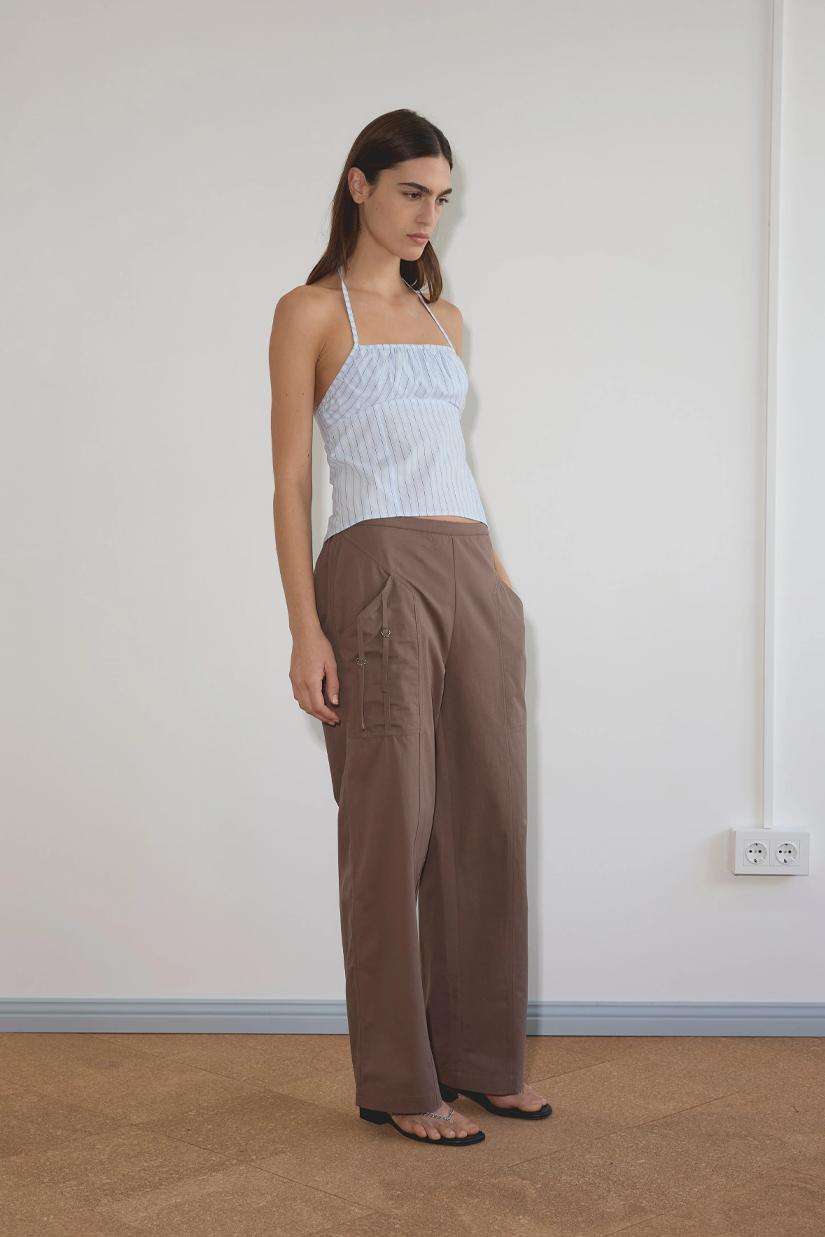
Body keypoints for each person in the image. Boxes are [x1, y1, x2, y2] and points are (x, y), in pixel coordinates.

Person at [269, 108, 551, 1146]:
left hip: (471, 568)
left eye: (441, 198)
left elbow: (449, 459)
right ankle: (398, 1077)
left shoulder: (446, 320)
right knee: (390, 828)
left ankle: (482, 1061)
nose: (429, 214)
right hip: (374, 568)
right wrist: (305, 628)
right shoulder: (310, 311)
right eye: (410, 192)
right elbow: (291, 482)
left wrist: (498, 579)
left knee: (489, 822)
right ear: (359, 186)